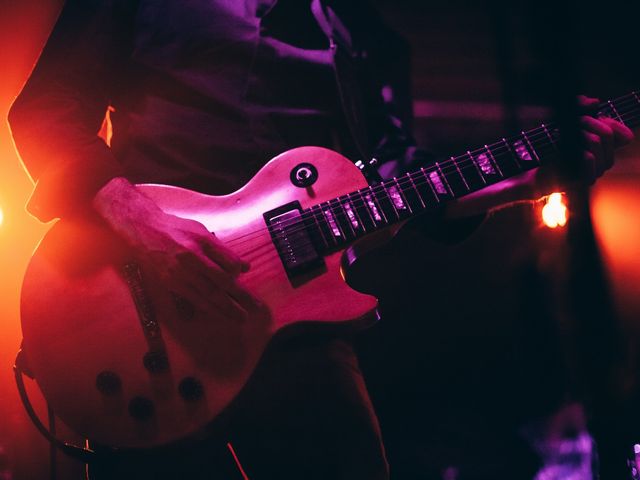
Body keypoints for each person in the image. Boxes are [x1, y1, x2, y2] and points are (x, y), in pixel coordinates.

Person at [8, 0, 633, 478]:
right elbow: (45, 109)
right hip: (136, 301)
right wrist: (138, 221)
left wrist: (525, 179)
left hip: (294, 328)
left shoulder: (363, 32)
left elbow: (394, 180)